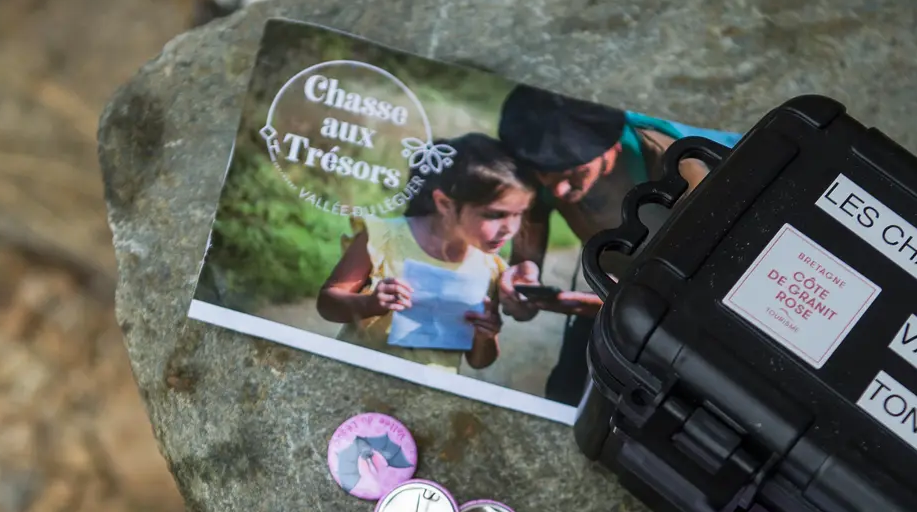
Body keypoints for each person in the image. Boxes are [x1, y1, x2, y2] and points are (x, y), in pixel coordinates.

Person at [493, 86, 741, 402]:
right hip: (613, 291)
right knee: (564, 390)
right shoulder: (544, 159)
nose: (558, 190)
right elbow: (533, 215)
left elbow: (697, 297)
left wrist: (586, 305)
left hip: (684, 307)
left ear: (613, 146)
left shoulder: (682, 170)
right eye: (546, 175)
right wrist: (524, 269)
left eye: (574, 173)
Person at [316, 133, 534, 372]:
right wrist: (369, 303)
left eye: (518, 214)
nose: (510, 229)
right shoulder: (382, 237)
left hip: (425, 399)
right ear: (445, 204)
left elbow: (479, 361)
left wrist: (487, 336)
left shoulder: (490, 269)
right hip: (355, 381)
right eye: (494, 214)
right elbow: (327, 304)